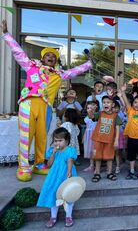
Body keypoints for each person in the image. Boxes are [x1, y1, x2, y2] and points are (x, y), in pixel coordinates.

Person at [1, 20, 92, 181]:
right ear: (42, 59)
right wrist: (6, 34)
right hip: (29, 103)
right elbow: (18, 52)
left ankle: (39, 163)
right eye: (48, 55)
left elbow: (73, 71)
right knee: (26, 136)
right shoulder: (31, 66)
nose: (51, 57)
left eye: (53, 56)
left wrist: (88, 64)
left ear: (56, 61)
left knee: (42, 136)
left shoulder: (58, 74)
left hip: (46, 107)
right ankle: (23, 167)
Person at [37, 127, 77, 228]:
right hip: (54, 176)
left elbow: (69, 161)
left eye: (60, 140)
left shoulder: (70, 150)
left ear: (66, 141)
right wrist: (53, 154)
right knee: (53, 193)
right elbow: (49, 165)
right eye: (55, 140)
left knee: (68, 195)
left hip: (65, 175)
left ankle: (68, 216)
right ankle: (53, 217)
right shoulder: (52, 151)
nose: (57, 143)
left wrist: (69, 172)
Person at [91, 96, 122, 182]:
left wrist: (116, 140)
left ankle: (109, 172)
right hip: (98, 139)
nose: (105, 104)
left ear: (112, 105)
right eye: (104, 102)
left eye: (108, 102)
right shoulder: (100, 114)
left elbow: (117, 128)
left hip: (109, 140)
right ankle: (97, 173)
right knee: (97, 157)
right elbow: (91, 117)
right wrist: (91, 110)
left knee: (109, 157)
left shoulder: (115, 116)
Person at [112, 99, 128, 174]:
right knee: (115, 152)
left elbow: (124, 105)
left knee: (120, 150)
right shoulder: (109, 115)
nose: (115, 109)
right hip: (113, 135)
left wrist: (121, 96)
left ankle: (119, 164)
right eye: (113, 108)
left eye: (116, 107)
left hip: (121, 134)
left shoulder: (121, 113)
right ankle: (116, 165)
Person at [83, 101, 98, 172]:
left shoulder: (97, 116)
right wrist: (84, 136)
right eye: (88, 108)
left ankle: (97, 166)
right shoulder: (86, 117)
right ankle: (91, 165)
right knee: (90, 150)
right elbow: (87, 127)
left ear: (95, 107)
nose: (89, 109)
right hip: (88, 135)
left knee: (95, 150)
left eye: (91, 108)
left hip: (95, 134)